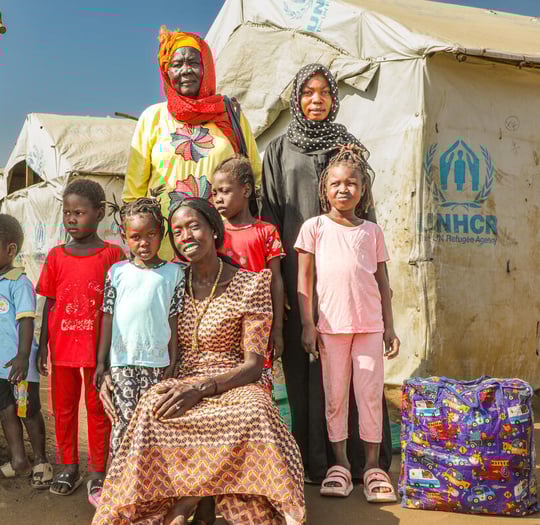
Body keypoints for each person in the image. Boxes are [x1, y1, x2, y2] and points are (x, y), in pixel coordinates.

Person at [93, 176, 305, 525]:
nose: (186, 237)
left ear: (214, 230)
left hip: (233, 380)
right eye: (177, 231)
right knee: (152, 410)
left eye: (194, 227)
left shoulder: (251, 283)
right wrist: (108, 371)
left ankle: (188, 502)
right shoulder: (172, 279)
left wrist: (201, 388)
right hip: (180, 373)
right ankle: (170, 502)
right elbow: (125, 319)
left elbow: (253, 365)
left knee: (255, 414)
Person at [261, 63, 393, 483]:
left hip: (350, 281)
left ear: (335, 99)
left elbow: (366, 210)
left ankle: (360, 464)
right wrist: (276, 280)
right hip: (298, 274)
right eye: (307, 92)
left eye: (324, 93)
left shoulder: (348, 147)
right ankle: (312, 460)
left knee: (361, 376)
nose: (315, 100)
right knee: (308, 366)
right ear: (296, 99)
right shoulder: (280, 150)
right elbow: (270, 215)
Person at [295, 145, 400, 501]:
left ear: (363, 189)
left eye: (352, 183)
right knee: (336, 397)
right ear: (325, 189)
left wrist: (389, 326)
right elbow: (304, 282)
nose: (344, 189)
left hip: (369, 326)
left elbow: (383, 284)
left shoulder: (372, 231)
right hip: (331, 328)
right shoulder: (315, 228)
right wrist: (308, 325)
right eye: (336, 183)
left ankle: (373, 468)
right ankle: (338, 465)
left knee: (369, 396)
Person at [123, 26, 262, 261]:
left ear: (206, 67)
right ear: (167, 72)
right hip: (164, 249)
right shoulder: (153, 117)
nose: (185, 70)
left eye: (193, 63)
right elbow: (133, 192)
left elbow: (254, 176)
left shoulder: (230, 116)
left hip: (223, 245)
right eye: (177, 65)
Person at [36, 179, 125, 500]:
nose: (71, 219)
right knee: (64, 409)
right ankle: (68, 465)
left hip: (99, 351)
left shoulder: (114, 255)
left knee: (98, 409)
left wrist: (114, 354)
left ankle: (98, 469)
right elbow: (49, 302)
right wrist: (41, 347)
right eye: (67, 212)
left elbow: (119, 308)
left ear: (99, 213)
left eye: (80, 212)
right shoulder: (56, 255)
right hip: (62, 350)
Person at [94, 196, 185, 477]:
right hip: (123, 363)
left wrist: (173, 360)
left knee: (155, 426)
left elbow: (174, 319)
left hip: (158, 364)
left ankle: (152, 489)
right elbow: (107, 317)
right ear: (124, 237)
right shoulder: (117, 272)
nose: (143, 243)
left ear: (162, 234)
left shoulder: (174, 273)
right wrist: (102, 363)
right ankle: (118, 488)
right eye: (135, 237)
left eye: (150, 235)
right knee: (124, 425)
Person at [0, 214, 52, 489]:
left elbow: (26, 321)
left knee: (27, 411)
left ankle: (41, 460)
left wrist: (22, 357)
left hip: (18, 366)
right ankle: (19, 461)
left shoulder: (19, 282)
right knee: (6, 413)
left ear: (11, 250)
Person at [213, 154, 286, 372]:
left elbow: (276, 281)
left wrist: (278, 328)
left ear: (246, 191)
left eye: (224, 191)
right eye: (214, 193)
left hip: (258, 321)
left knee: (257, 376)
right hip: (223, 320)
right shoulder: (214, 234)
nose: (218, 198)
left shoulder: (266, 232)